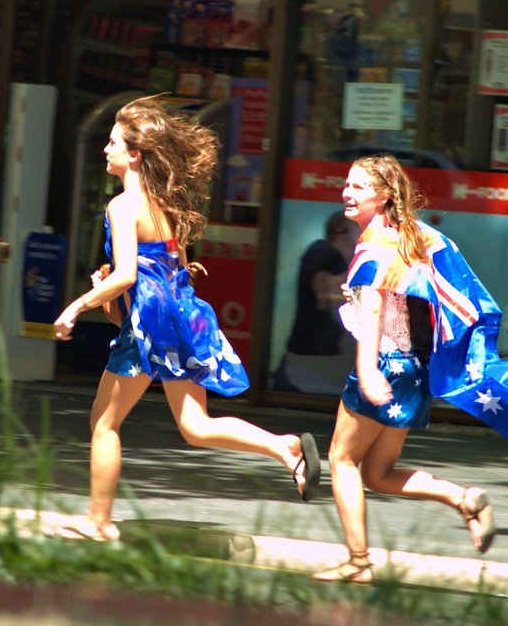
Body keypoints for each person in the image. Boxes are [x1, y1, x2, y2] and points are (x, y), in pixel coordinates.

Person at [314, 154, 508, 584]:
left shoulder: (374, 245)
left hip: (386, 366)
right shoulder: (406, 238)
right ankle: (464, 499)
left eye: (357, 187)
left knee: (341, 460)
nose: (346, 193)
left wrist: (367, 369)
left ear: (383, 195)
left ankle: (358, 562)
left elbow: (373, 311)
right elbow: (393, 301)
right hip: (412, 370)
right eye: (346, 185)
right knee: (378, 473)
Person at [52, 94, 321, 542]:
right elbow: (166, 266)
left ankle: (98, 523)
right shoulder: (164, 203)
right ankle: (284, 447)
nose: (105, 149)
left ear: (134, 155)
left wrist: (75, 306)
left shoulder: (122, 206)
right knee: (197, 427)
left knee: (104, 423)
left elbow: (126, 275)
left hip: (148, 326)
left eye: (113, 142)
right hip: (180, 317)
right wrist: (116, 281)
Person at [274, 211, 357, 394]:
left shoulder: (340, 261)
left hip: (323, 362)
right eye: (358, 225)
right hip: (307, 365)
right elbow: (325, 292)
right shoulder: (322, 251)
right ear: (339, 228)